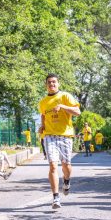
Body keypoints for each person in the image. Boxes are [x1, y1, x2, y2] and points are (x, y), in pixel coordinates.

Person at [38, 73, 80, 209]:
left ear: (58, 83)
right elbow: (43, 114)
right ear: (46, 85)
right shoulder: (43, 101)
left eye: (54, 82)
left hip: (65, 135)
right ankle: (56, 198)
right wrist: (42, 125)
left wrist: (62, 107)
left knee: (66, 165)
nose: (52, 84)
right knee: (53, 166)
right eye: (49, 82)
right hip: (49, 136)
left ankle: (66, 181)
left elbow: (77, 111)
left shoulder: (65, 96)